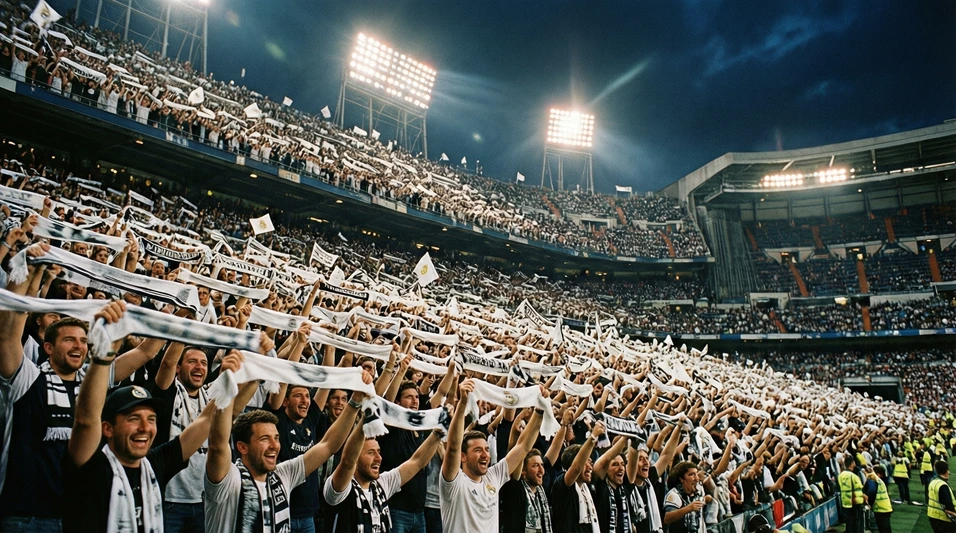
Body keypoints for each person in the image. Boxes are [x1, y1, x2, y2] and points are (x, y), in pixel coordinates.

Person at [0, 253, 161, 532]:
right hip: (26, 515)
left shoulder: (93, 380)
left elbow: (146, 350)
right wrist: (27, 270)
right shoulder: (27, 377)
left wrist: (179, 310)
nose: (79, 346)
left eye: (85, 341)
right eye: (69, 340)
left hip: (79, 514)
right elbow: (7, 334)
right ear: (48, 348)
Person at [62, 301, 215, 532]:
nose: (145, 427)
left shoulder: (153, 463)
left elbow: (205, 422)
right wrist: (105, 350)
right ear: (107, 429)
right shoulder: (93, 465)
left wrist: (243, 379)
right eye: (133, 419)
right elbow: (85, 419)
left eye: (151, 419)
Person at [203, 351, 372, 533]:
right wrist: (227, 382)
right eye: (264, 439)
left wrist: (355, 402)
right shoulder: (229, 480)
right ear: (242, 446)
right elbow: (217, 444)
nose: (274, 445)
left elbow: (328, 445)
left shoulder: (283, 476)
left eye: (276, 438)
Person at [439, 379, 546, 533]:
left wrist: (539, 410)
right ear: (463, 457)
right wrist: (462, 404)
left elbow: (523, 446)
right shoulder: (453, 483)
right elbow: (454, 447)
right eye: (477, 450)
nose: (485, 455)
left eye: (487, 450)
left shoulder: (493, 476)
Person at [322, 410, 442, 532]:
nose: (378, 458)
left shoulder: (382, 484)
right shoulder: (340, 489)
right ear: (355, 457)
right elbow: (347, 462)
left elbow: (417, 462)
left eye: (378, 452)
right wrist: (366, 420)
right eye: (370, 453)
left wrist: (437, 433)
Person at [550, 423, 605, 533]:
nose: (590, 467)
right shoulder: (562, 484)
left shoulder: (586, 488)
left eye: (590, 462)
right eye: (585, 462)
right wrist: (592, 438)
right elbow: (576, 468)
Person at [500, 449, 553, 533]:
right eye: (535, 465)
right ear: (523, 471)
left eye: (542, 465)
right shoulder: (515, 489)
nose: (541, 471)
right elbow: (515, 452)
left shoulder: (541, 493)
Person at [663, 461, 705, 533]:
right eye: (692, 474)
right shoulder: (674, 495)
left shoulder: (696, 493)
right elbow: (667, 518)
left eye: (696, 474)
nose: (697, 479)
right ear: (681, 479)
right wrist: (689, 508)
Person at [928, 460, 956, 533]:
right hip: (943, 518)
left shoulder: (932, 481)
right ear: (946, 471)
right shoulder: (942, 485)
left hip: (932, 515)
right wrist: (954, 513)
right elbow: (948, 503)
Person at [838, 456, 864, 533]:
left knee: (849, 522)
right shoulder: (854, 476)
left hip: (845, 502)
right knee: (856, 523)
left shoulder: (841, 475)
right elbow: (860, 488)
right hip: (855, 502)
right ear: (852, 463)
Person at [864, 465, 893, 533]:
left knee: (883, 530)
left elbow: (871, 492)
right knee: (887, 529)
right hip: (886, 508)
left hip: (880, 509)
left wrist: (869, 503)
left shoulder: (874, 480)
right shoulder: (881, 482)